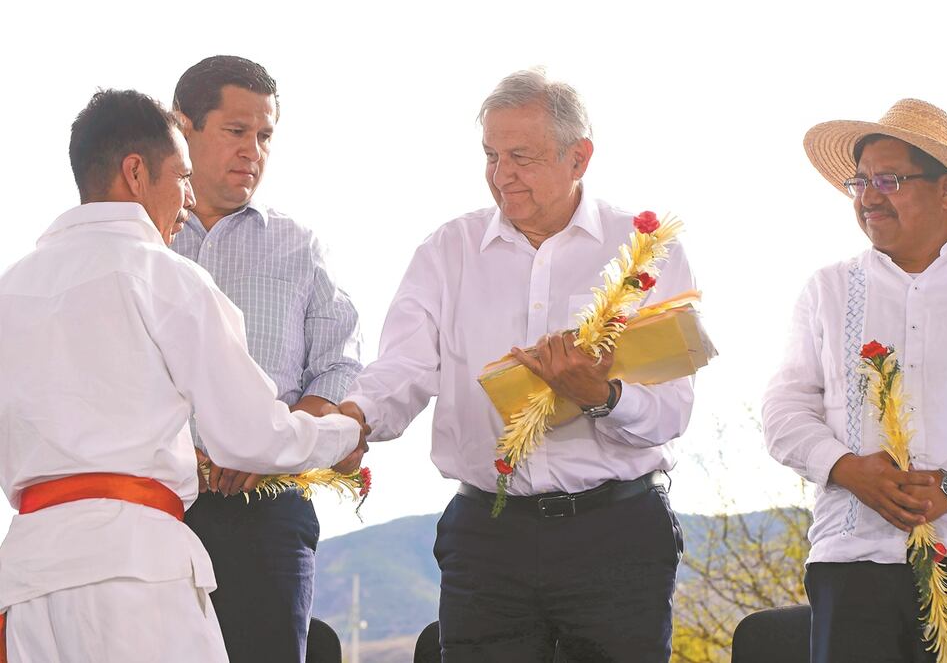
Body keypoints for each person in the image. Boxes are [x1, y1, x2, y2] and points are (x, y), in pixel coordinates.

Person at [340, 69, 693, 662]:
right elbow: (401, 367)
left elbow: (671, 412)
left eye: (521, 156)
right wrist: (354, 420)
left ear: (579, 158)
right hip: (487, 538)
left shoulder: (645, 249)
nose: (502, 175)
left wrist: (600, 394)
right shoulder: (446, 251)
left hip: (618, 536)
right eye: (491, 155)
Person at [0, 89, 363, 662]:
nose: (189, 197)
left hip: (26, 580)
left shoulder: (9, 290)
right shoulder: (168, 277)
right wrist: (343, 433)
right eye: (181, 176)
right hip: (135, 574)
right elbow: (250, 437)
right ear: (136, 173)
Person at [763, 99, 947, 662]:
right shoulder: (827, 289)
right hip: (853, 561)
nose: (869, 197)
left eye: (889, 180)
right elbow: (784, 409)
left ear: (946, 190)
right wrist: (846, 469)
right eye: (859, 181)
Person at [170, 55, 364, 663]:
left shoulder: (298, 245)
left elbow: (338, 365)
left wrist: (271, 441)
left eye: (265, 135)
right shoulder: (141, 246)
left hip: (269, 514)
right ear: (182, 128)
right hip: (156, 512)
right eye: (236, 131)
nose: (253, 150)